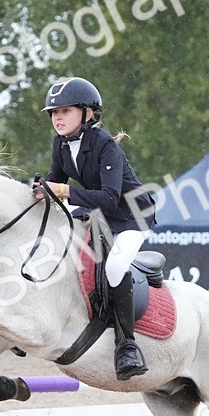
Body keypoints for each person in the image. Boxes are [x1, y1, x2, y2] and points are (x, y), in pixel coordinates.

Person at [35, 76, 156, 380]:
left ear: (87, 114)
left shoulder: (104, 145)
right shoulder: (61, 144)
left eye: (65, 111)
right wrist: (36, 189)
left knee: (114, 266)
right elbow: (56, 180)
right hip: (98, 212)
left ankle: (127, 346)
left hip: (131, 216)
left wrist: (60, 191)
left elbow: (110, 198)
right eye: (54, 113)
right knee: (58, 245)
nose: (57, 118)